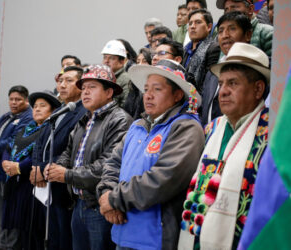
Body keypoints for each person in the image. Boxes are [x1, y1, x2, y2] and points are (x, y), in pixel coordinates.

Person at [97, 59, 205, 249]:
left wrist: (114, 199)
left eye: (157, 89)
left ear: (178, 95)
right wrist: (106, 193)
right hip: (122, 233)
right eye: (146, 89)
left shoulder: (186, 127)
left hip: (155, 240)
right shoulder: (137, 126)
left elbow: (164, 178)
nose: (148, 96)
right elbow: (112, 163)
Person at [178, 42, 269, 249]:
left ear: (258, 89)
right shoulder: (212, 128)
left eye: (233, 83)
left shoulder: (272, 132)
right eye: (221, 83)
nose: (223, 92)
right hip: (199, 236)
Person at [44, 65, 133, 250]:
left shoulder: (120, 120)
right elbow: (69, 151)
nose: (85, 92)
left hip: (100, 207)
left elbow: (108, 165)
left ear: (109, 92)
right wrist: (56, 168)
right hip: (79, 204)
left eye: (91, 87)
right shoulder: (85, 118)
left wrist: (67, 175)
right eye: (83, 88)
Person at [30, 66, 87, 250]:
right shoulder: (60, 111)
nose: (62, 85)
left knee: (65, 238)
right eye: (60, 81)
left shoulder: (83, 111)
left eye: (69, 81)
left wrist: (44, 167)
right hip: (46, 184)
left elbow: (73, 149)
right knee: (51, 235)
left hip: (64, 186)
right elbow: (40, 142)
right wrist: (36, 166)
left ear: (80, 84)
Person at [0, 90, 60, 249]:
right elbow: (8, 146)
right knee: (15, 229)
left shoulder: (51, 130)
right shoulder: (25, 129)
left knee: (31, 230)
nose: (37, 109)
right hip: (14, 184)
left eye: (43, 106)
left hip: (31, 186)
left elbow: (39, 155)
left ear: (53, 111)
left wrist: (19, 167)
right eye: (35, 107)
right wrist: (6, 161)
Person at [0, 85, 32, 249]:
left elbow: (13, 141)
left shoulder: (27, 117)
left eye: (18, 99)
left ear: (26, 100)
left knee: (10, 215)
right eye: (11, 99)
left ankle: (9, 246)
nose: (14, 102)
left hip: (11, 173)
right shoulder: (6, 116)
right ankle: (1, 245)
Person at [201, 11, 253, 125]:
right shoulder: (212, 72)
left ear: (248, 35)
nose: (225, 35)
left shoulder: (257, 68)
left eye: (232, 29)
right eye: (220, 31)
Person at [183, 9, 220, 94]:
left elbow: (209, 84)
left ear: (209, 27)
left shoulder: (213, 48)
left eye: (198, 22)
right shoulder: (185, 49)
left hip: (199, 101)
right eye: (190, 23)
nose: (192, 26)